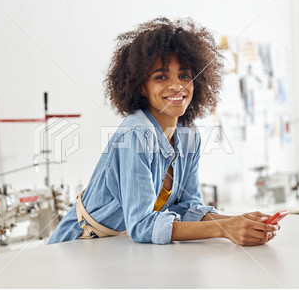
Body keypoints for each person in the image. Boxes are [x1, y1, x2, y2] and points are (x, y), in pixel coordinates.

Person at [48, 17, 279, 246]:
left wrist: (240, 222)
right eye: (161, 76)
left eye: (185, 76)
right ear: (141, 86)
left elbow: (187, 207)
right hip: (78, 245)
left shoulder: (188, 133)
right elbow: (141, 225)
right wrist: (225, 229)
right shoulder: (136, 135)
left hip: (117, 247)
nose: (177, 86)